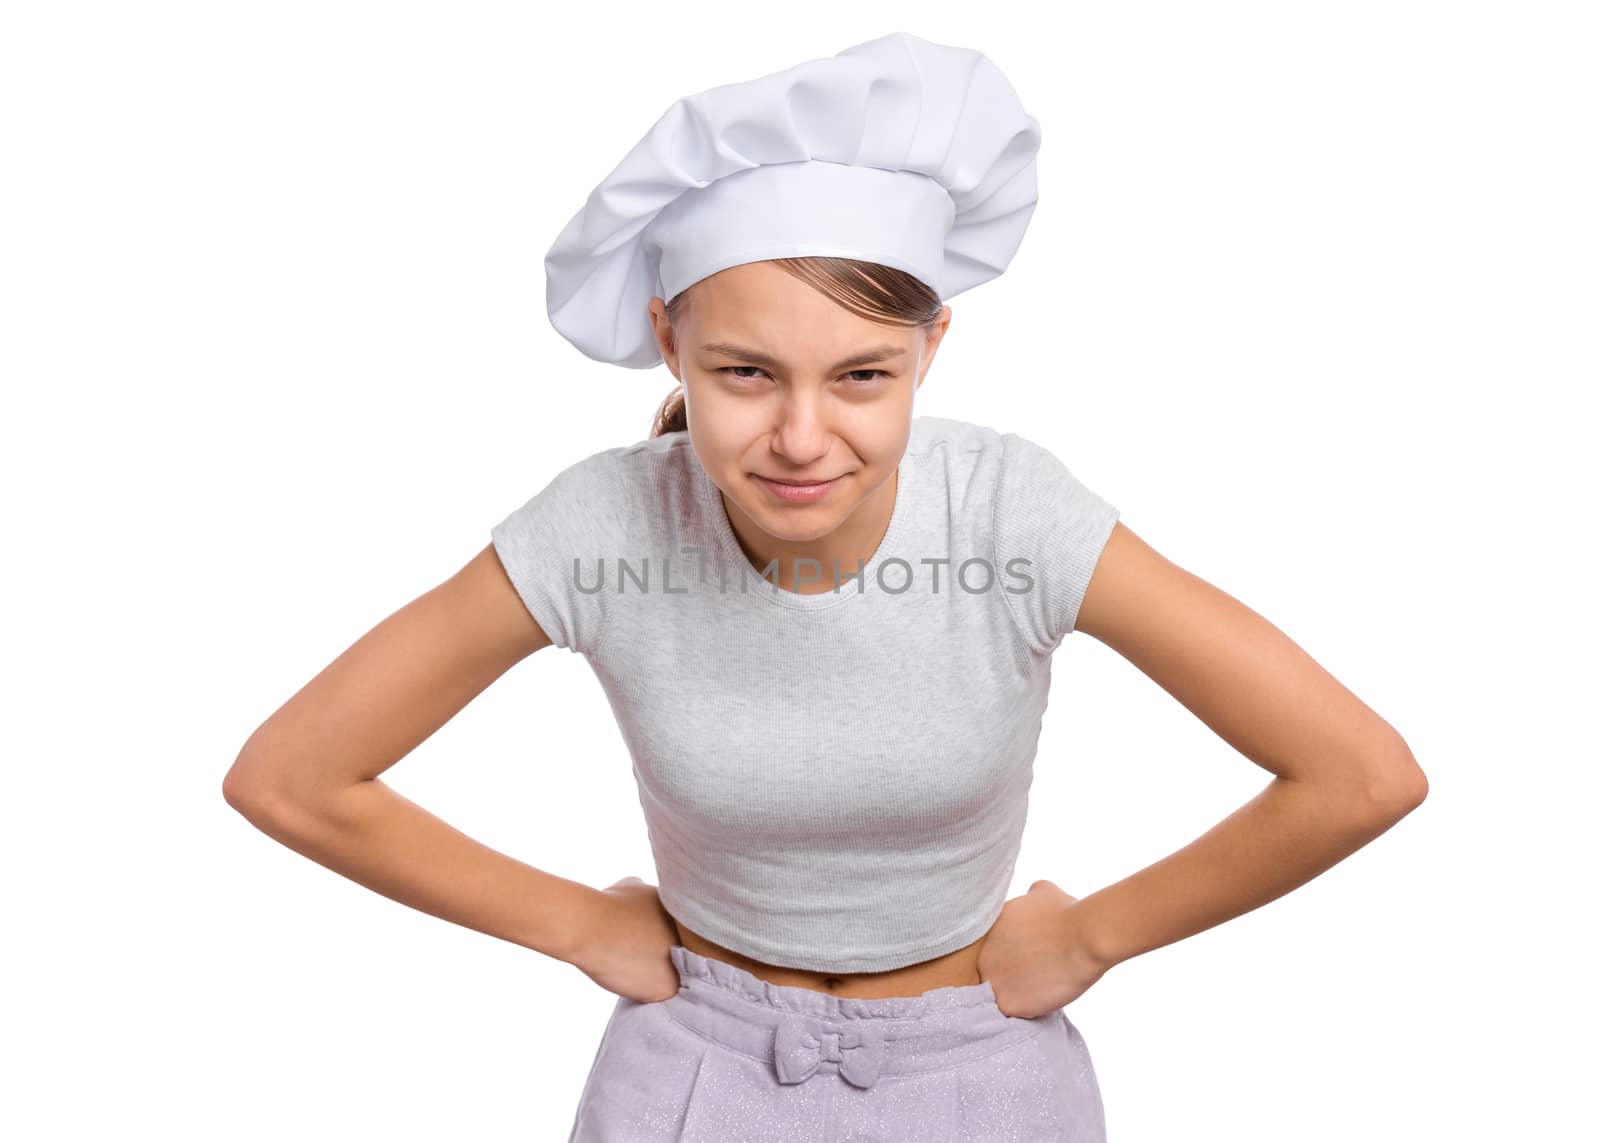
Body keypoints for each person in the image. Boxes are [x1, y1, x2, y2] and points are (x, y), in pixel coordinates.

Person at [223, 31, 1428, 1141]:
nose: (803, 438)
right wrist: (576, 923)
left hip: (980, 1072)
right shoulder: (603, 523)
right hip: (688, 1069)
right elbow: (294, 778)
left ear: (931, 351)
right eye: (744, 372)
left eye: (862, 376)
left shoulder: (1011, 515)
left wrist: (1093, 936)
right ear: (668, 343)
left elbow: (1358, 775)